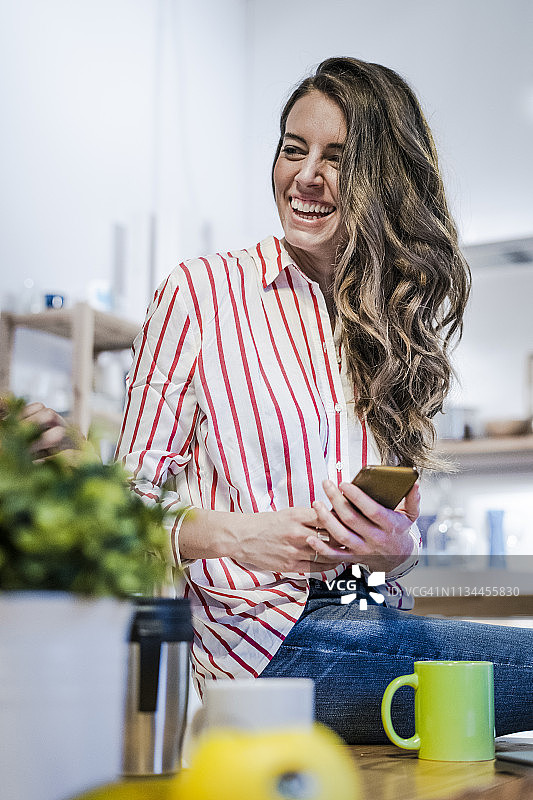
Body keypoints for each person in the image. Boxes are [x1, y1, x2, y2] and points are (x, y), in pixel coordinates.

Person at [116, 56, 533, 743]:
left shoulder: (391, 321)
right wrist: (242, 536)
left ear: (382, 178)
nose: (305, 175)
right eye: (292, 149)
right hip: (263, 652)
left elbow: (393, 545)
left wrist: (394, 548)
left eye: (336, 158)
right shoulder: (200, 294)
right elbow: (122, 509)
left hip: (371, 619)